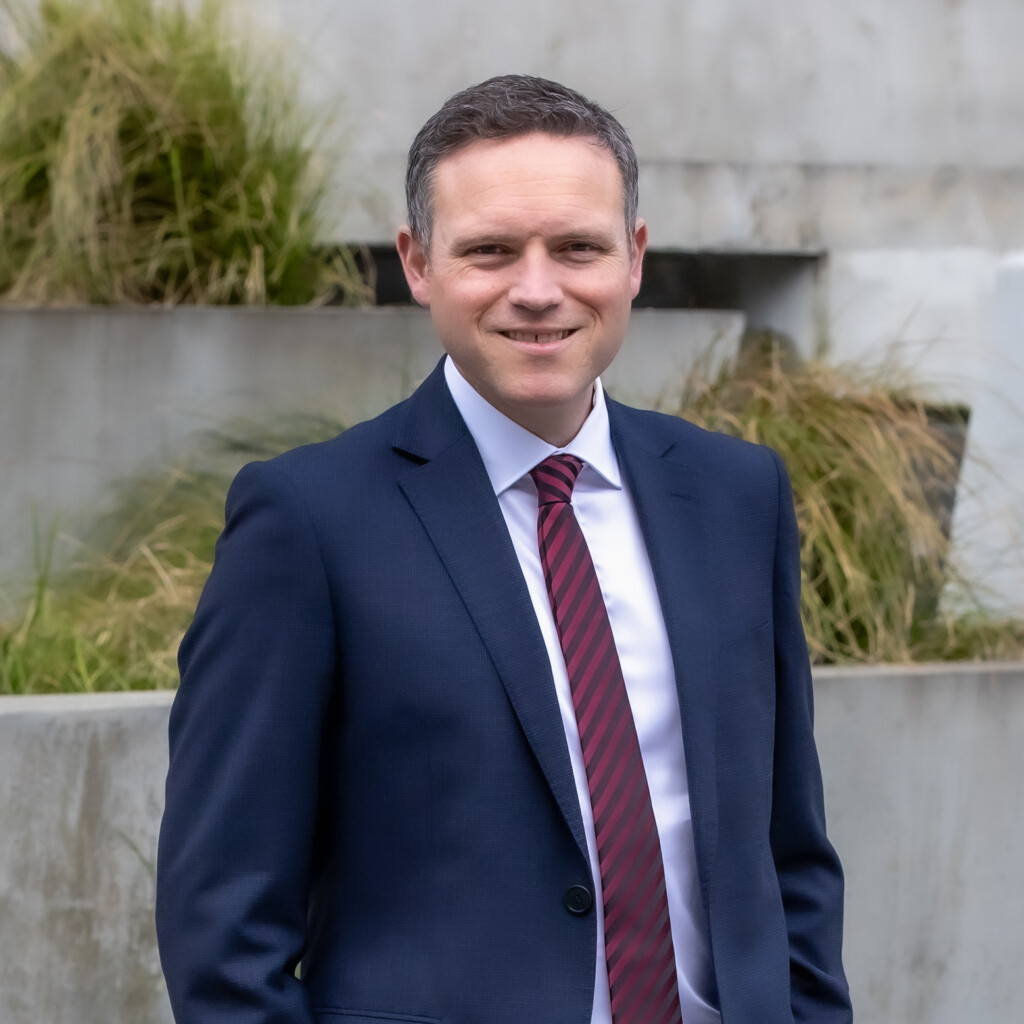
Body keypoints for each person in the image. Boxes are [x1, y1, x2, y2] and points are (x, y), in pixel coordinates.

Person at [156, 75, 852, 1024]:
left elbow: (788, 853)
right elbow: (223, 919)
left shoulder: (737, 496)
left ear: (634, 257)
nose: (537, 290)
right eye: (489, 250)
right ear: (417, 263)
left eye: (577, 248)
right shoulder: (308, 521)